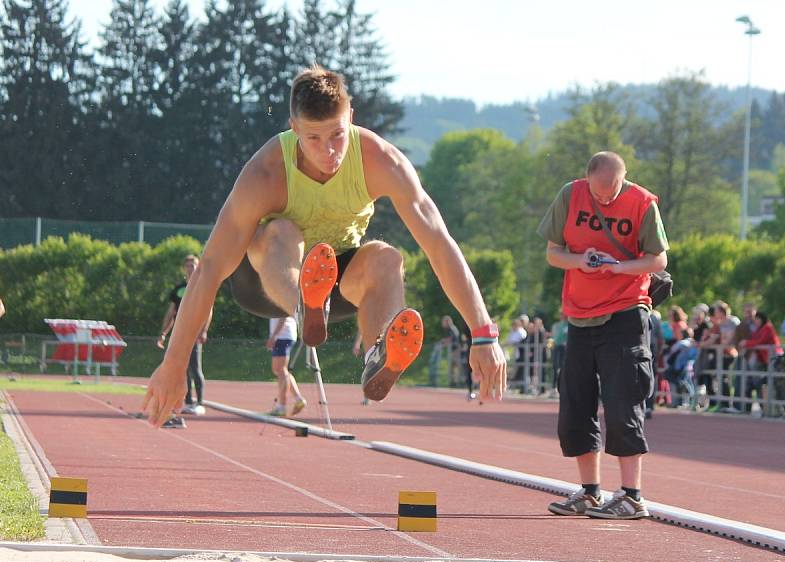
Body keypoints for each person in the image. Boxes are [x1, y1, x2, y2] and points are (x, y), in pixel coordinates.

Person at [143, 66, 506, 427]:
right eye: (313, 139)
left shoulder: (381, 160)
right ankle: (304, 306)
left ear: (351, 117)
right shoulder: (266, 172)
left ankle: (378, 355)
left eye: (337, 134)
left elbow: (439, 244)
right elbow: (208, 269)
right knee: (283, 231)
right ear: (294, 128)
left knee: (387, 258)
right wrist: (175, 362)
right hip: (266, 279)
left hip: (337, 282)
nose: (328, 151)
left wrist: (483, 332)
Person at [537, 151, 668, 520]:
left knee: (623, 401)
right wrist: (580, 260)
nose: (606, 199)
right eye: (599, 193)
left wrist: (621, 267)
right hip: (579, 315)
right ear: (587, 180)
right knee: (575, 405)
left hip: (626, 311)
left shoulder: (642, 202)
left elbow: (659, 259)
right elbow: (553, 253)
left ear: (624, 179)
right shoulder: (570, 195)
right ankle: (590, 492)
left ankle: (631, 495)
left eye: (613, 192)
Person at [156, 254, 211, 428]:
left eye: (193, 264)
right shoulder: (179, 289)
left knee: (195, 367)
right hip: (180, 333)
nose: (191, 268)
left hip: (194, 332)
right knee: (182, 368)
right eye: (188, 265)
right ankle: (188, 402)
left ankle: (200, 402)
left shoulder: (202, 287)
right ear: (184, 268)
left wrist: (204, 330)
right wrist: (163, 333)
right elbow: (171, 312)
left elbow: (208, 310)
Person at [266, 315, 307, 417]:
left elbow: (283, 316)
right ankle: (298, 399)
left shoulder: (285, 299)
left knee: (281, 370)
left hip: (283, 336)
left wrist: (274, 336)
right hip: (283, 336)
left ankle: (282, 406)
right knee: (278, 370)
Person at [428, 315, 463, 387]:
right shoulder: (449, 329)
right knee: (452, 367)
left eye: (444, 321)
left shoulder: (452, 329)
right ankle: (452, 382)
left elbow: (451, 339)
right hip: (452, 350)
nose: (443, 323)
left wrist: (443, 342)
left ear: (447, 321)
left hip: (456, 350)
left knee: (458, 367)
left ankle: (459, 382)